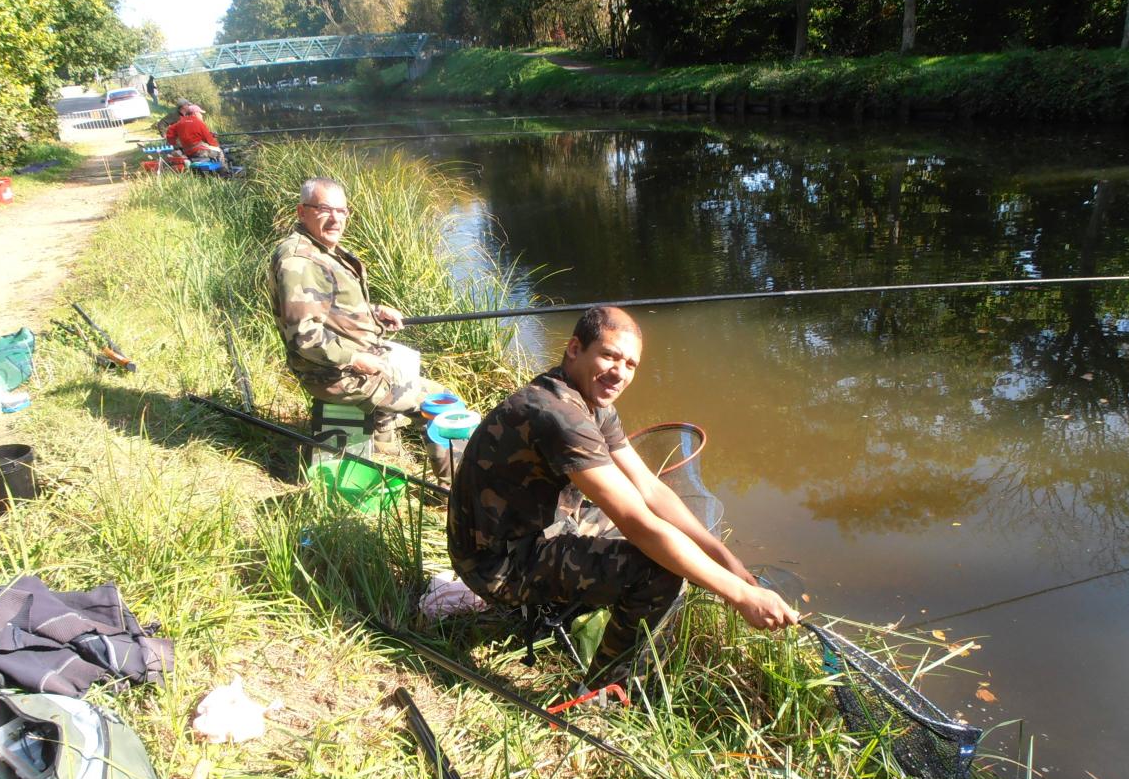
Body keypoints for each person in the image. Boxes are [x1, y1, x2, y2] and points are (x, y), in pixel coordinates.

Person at [447, 305, 800, 685]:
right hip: (496, 563)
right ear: (575, 348)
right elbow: (637, 521)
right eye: (610, 356)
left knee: (663, 541)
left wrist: (726, 559)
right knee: (659, 571)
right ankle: (599, 690)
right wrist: (740, 596)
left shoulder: (592, 403)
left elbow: (651, 490)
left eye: (630, 364)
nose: (620, 373)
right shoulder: (558, 416)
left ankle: (580, 613)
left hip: (528, 531)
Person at [267, 177, 447, 455]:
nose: (335, 219)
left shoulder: (319, 248)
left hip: (345, 364)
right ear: (302, 211)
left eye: (342, 211)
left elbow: (328, 309)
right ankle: (453, 490)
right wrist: (355, 359)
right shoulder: (299, 262)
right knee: (444, 404)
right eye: (325, 209)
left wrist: (375, 313)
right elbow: (304, 336)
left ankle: (383, 448)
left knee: (403, 361)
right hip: (336, 375)